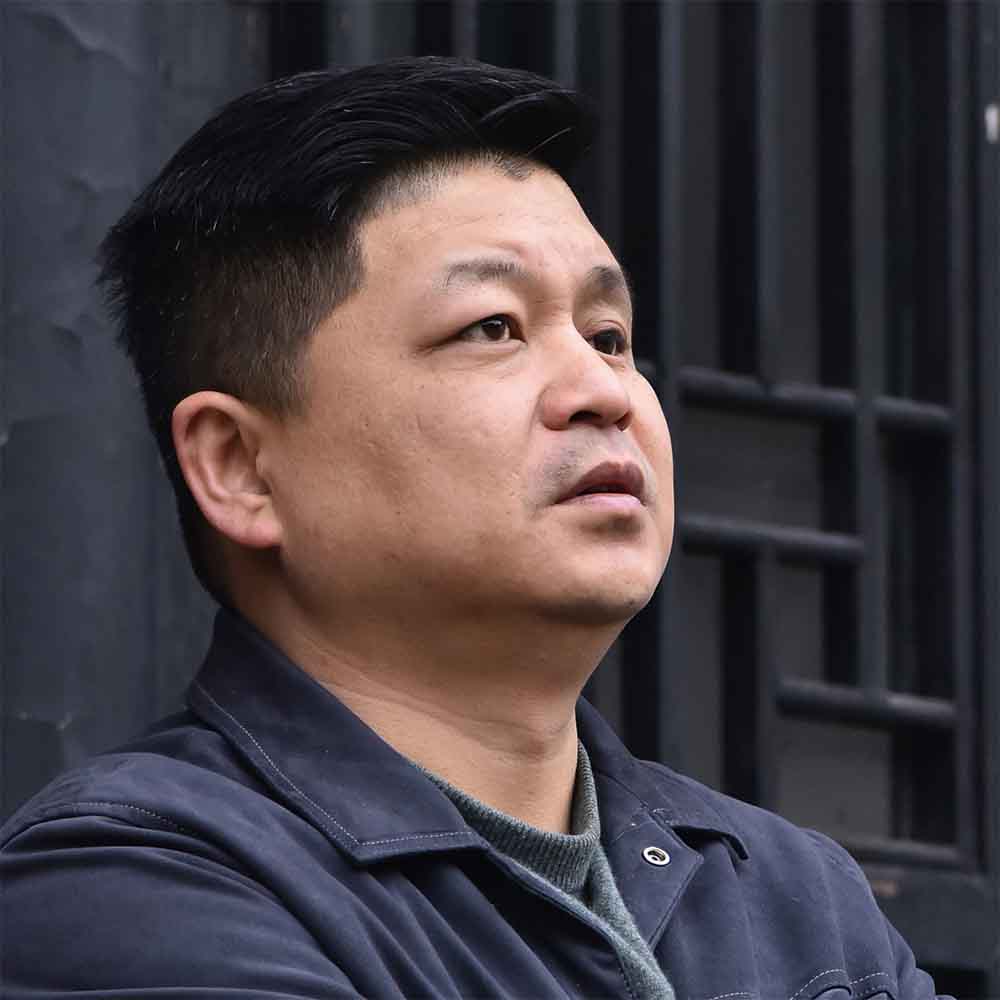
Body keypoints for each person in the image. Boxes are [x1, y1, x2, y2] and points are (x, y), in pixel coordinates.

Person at [1, 57, 945, 999]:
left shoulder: (797, 901)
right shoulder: (134, 884)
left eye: (609, 336)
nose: (601, 389)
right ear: (241, 466)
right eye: (492, 327)